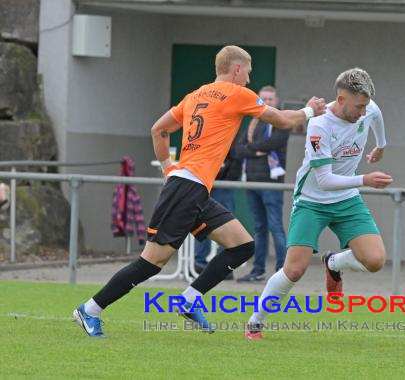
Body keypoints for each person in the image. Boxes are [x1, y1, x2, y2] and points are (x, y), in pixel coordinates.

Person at [72, 45, 326, 337]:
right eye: (248, 73)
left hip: (192, 187)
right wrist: (310, 110)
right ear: (237, 69)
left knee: (243, 245)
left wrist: (169, 167)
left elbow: (159, 130)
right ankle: (90, 309)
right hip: (186, 188)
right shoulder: (237, 93)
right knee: (151, 262)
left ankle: (189, 299)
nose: (248, 81)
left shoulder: (195, 95)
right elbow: (283, 120)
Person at [245, 68, 393, 340]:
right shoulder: (319, 125)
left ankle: (334, 263)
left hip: (346, 199)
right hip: (312, 201)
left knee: (374, 260)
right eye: (358, 106)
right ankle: (255, 321)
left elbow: (376, 115)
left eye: (365, 106)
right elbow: (324, 180)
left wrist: (381, 145)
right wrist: (364, 179)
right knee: (294, 270)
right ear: (340, 98)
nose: (363, 112)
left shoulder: (367, 107)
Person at [236, 86, 289, 282]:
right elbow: (238, 150)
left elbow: (272, 144)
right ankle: (258, 271)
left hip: (272, 184)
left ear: (276, 101)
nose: (266, 102)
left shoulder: (282, 122)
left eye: (270, 99)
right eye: (263, 99)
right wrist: (256, 150)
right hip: (252, 182)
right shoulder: (253, 123)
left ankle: (282, 272)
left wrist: (252, 149)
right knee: (259, 228)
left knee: (275, 227)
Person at [193, 137, 242, 280]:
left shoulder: (230, 131)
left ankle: (224, 266)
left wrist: (226, 177)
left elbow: (237, 155)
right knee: (203, 222)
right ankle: (199, 263)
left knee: (226, 226)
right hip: (207, 181)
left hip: (223, 184)